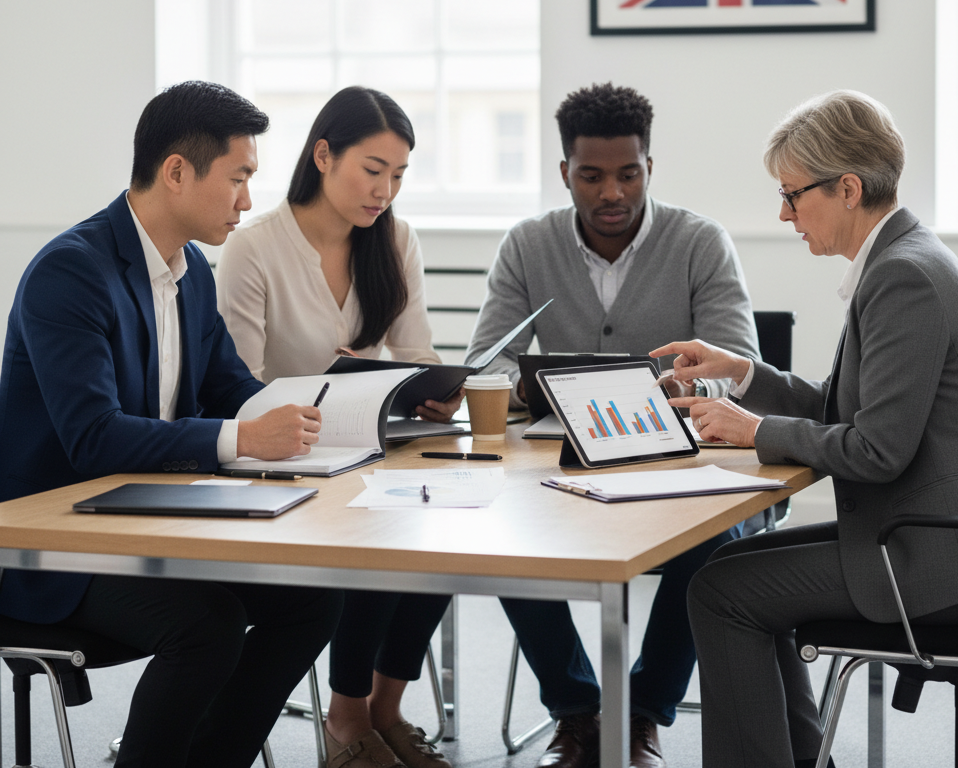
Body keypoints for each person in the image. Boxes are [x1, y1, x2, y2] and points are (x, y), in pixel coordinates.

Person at [651, 90, 958, 768]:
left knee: (720, 592)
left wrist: (753, 431)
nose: (784, 213)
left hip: (942, 556)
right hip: (930, 534)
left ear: (847, 188)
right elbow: (843, 409)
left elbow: (876, 450)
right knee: (725, 566)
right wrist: (743, 373)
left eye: (794, 194)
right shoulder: (899, 259)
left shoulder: (904, 276)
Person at [0, 81, 345, 768]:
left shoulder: (190, 274)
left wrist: (331, 424)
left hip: (147, 522)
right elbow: (93, 438)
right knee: (206, 628)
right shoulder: (71, 274)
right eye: (239, 178)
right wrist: (244, 439)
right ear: (178, 172)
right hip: (54, 548)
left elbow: (233, 391)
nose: (249, 200)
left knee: (314, 596)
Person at [464, 82, 761, 768]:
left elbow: (738, 364)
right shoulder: (527, 245)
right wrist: (526, 385)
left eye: (628, 174)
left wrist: (666, 393)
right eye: (591, 176)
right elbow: (487, 359)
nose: (611, 193)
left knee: (714, 545)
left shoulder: (699, 243)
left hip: (682, 460)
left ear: (649, 168)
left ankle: (640, 718)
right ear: (564, 172)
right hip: (555, 465)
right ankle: (575, 712)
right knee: (498, 530)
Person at [217, 86, 458, 768]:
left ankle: (385, 709)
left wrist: (433, 391)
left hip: (367, 450)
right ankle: (346, 719)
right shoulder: (255, 248)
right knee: (381, 533)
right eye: (373, 170)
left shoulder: (394, 240)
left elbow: (415, 354)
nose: (386, 191)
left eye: (400, 176)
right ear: (323, 155)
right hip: (280, 457)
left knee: (449, 532)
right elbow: (234, 385)